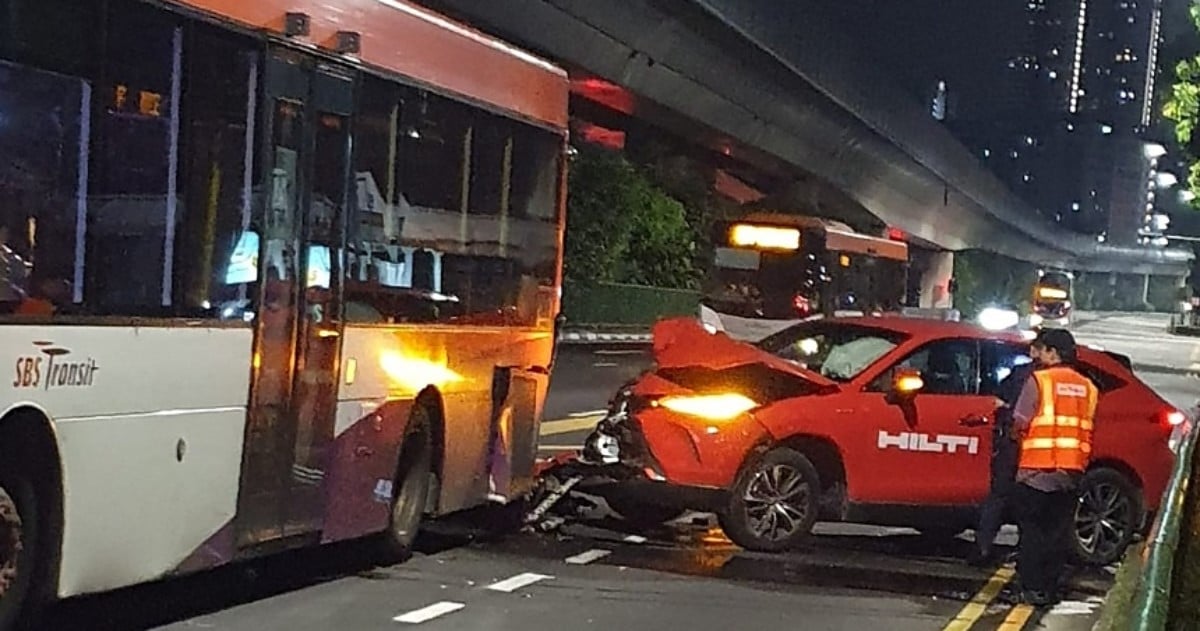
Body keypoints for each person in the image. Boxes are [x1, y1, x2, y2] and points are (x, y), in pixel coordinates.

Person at [1009, 328, 1098, 605]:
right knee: (1057, 534)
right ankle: (1049, 588)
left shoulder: (1040, 381)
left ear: (1053, 353)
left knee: (1032, 533)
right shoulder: (1089, 387)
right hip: (1071, 473)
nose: (1040, 354)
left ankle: (1030, 587)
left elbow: (1020, 422)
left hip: (1037, 471)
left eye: (1044, 349)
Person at [968, 347, 1038, 566]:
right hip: (1044, 452)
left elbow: (1002, 405)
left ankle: (983, 548)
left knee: (999, 497)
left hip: (1018, 444)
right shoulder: (1076, 380)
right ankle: (1026, 554)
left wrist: (1006, 412)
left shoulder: (1026, 375)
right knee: (1032, 503)